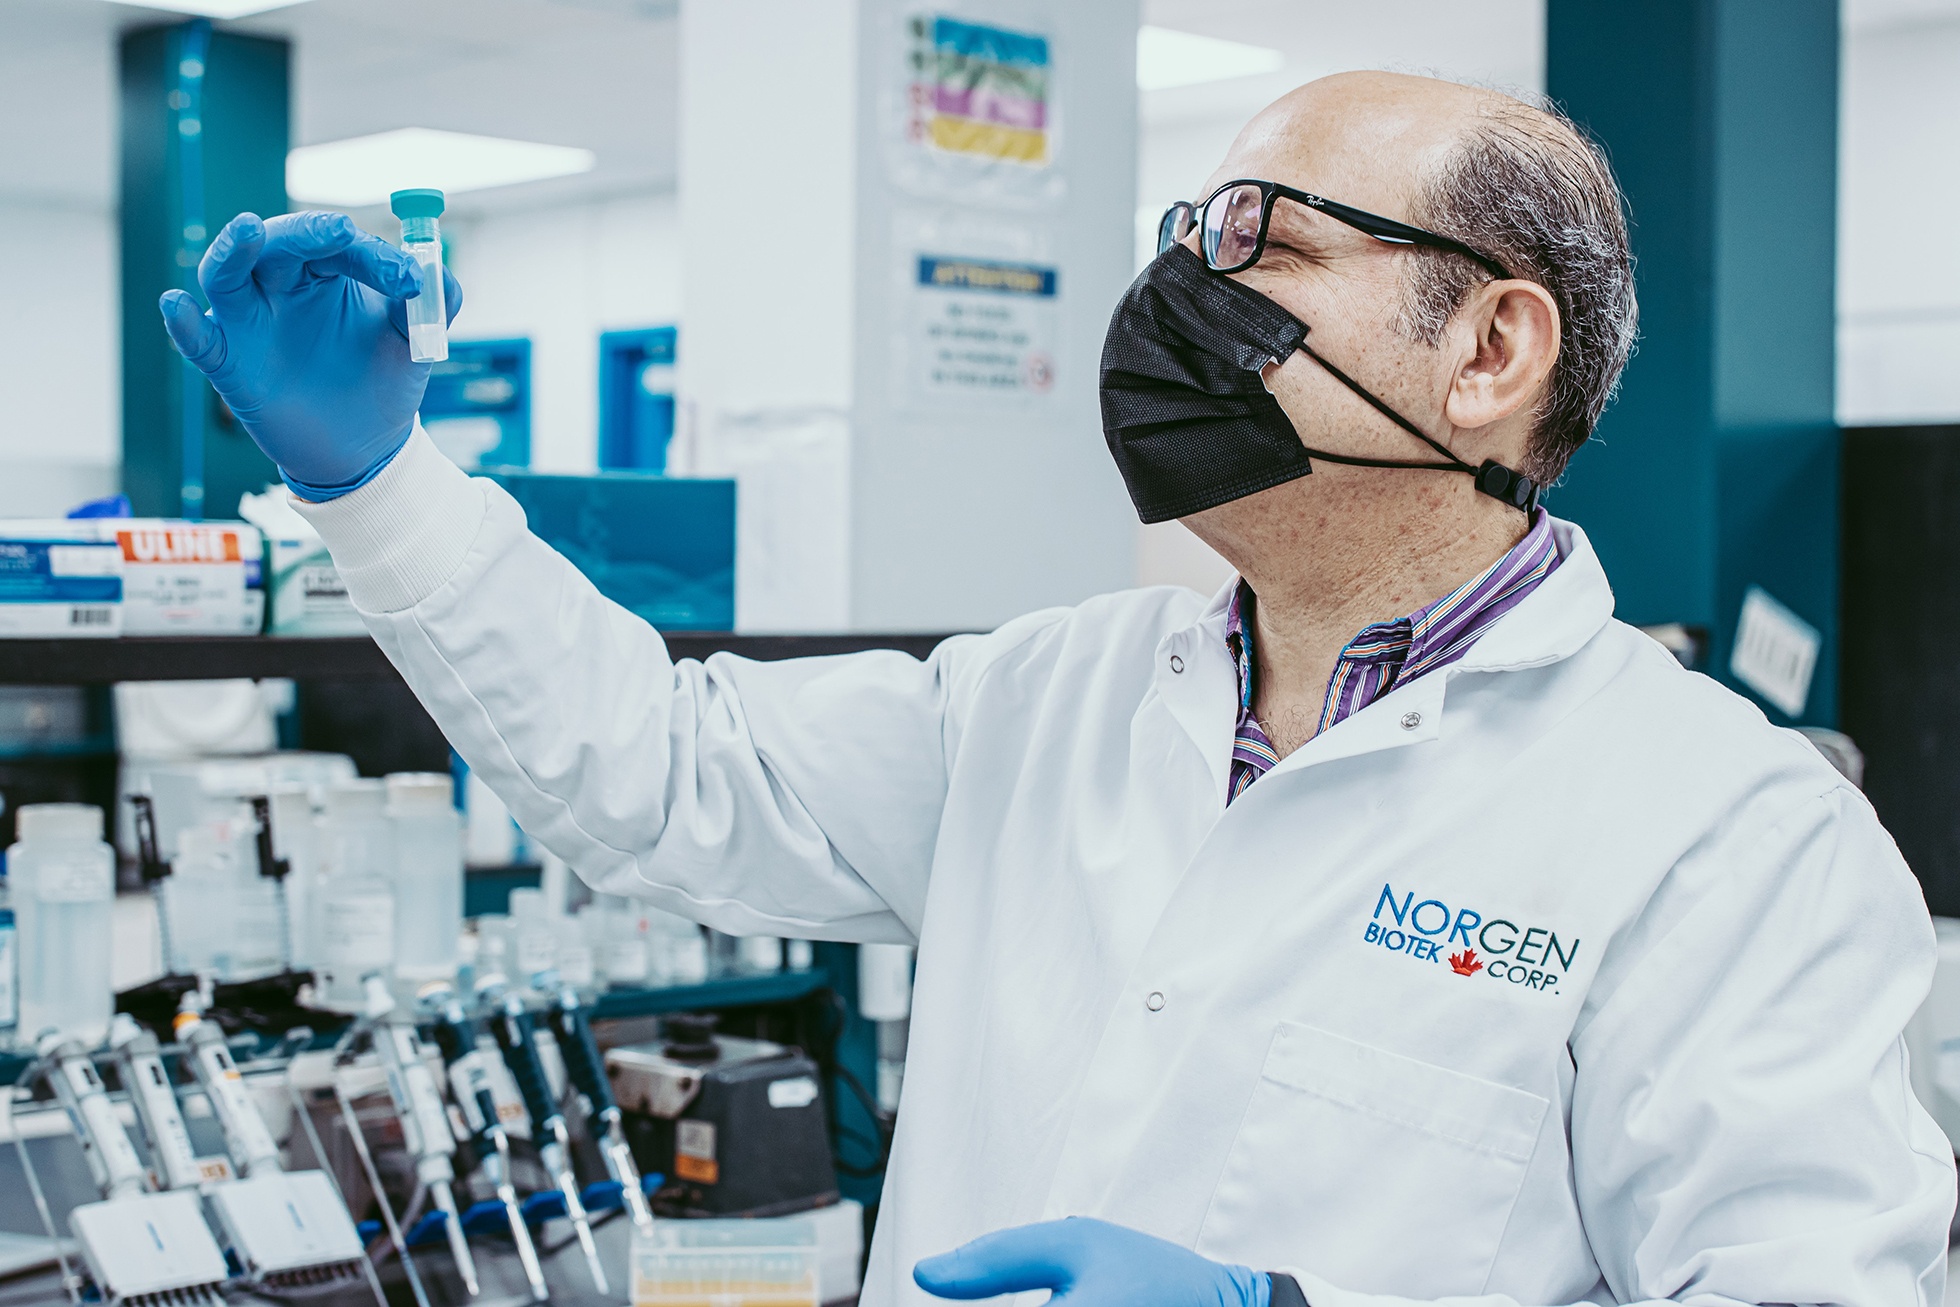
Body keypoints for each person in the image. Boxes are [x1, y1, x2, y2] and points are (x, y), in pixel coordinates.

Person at [160, 70, 1952, 1307]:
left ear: (1491, 350)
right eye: (1187, 236)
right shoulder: (1044, 698)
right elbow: (656, 772)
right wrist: (376, 480)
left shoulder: (1731, 838)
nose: (1181, 297)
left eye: (1264, 242)